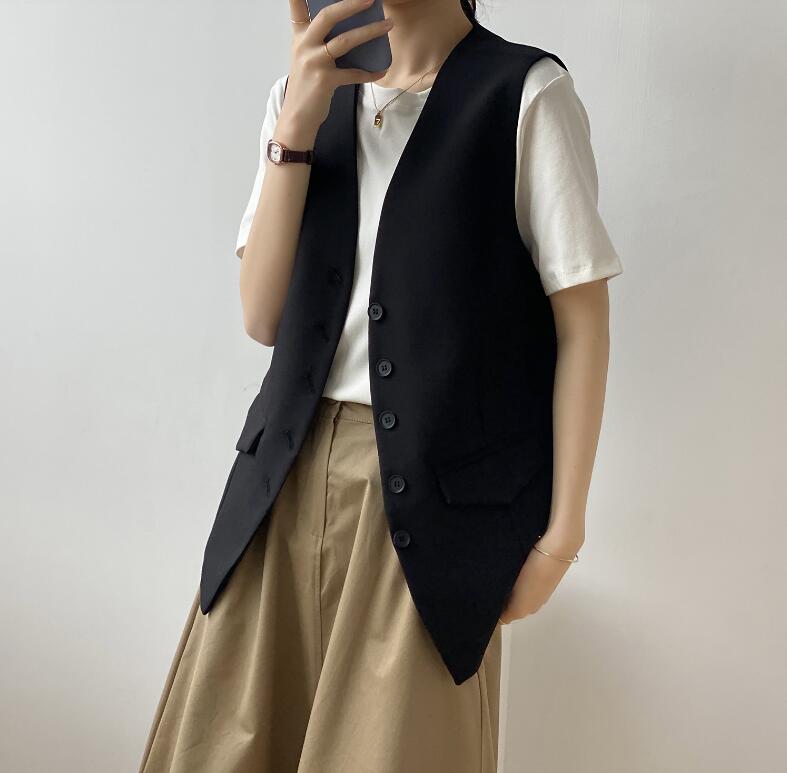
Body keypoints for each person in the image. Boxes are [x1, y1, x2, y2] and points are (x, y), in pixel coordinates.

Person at [137, 0, 623, 771]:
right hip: (279, 489)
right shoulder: (301, 95)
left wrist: (561, 536)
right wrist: (296, 125)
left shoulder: (524, 95)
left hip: (433, 513)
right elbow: (262, 316)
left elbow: (581, 324)